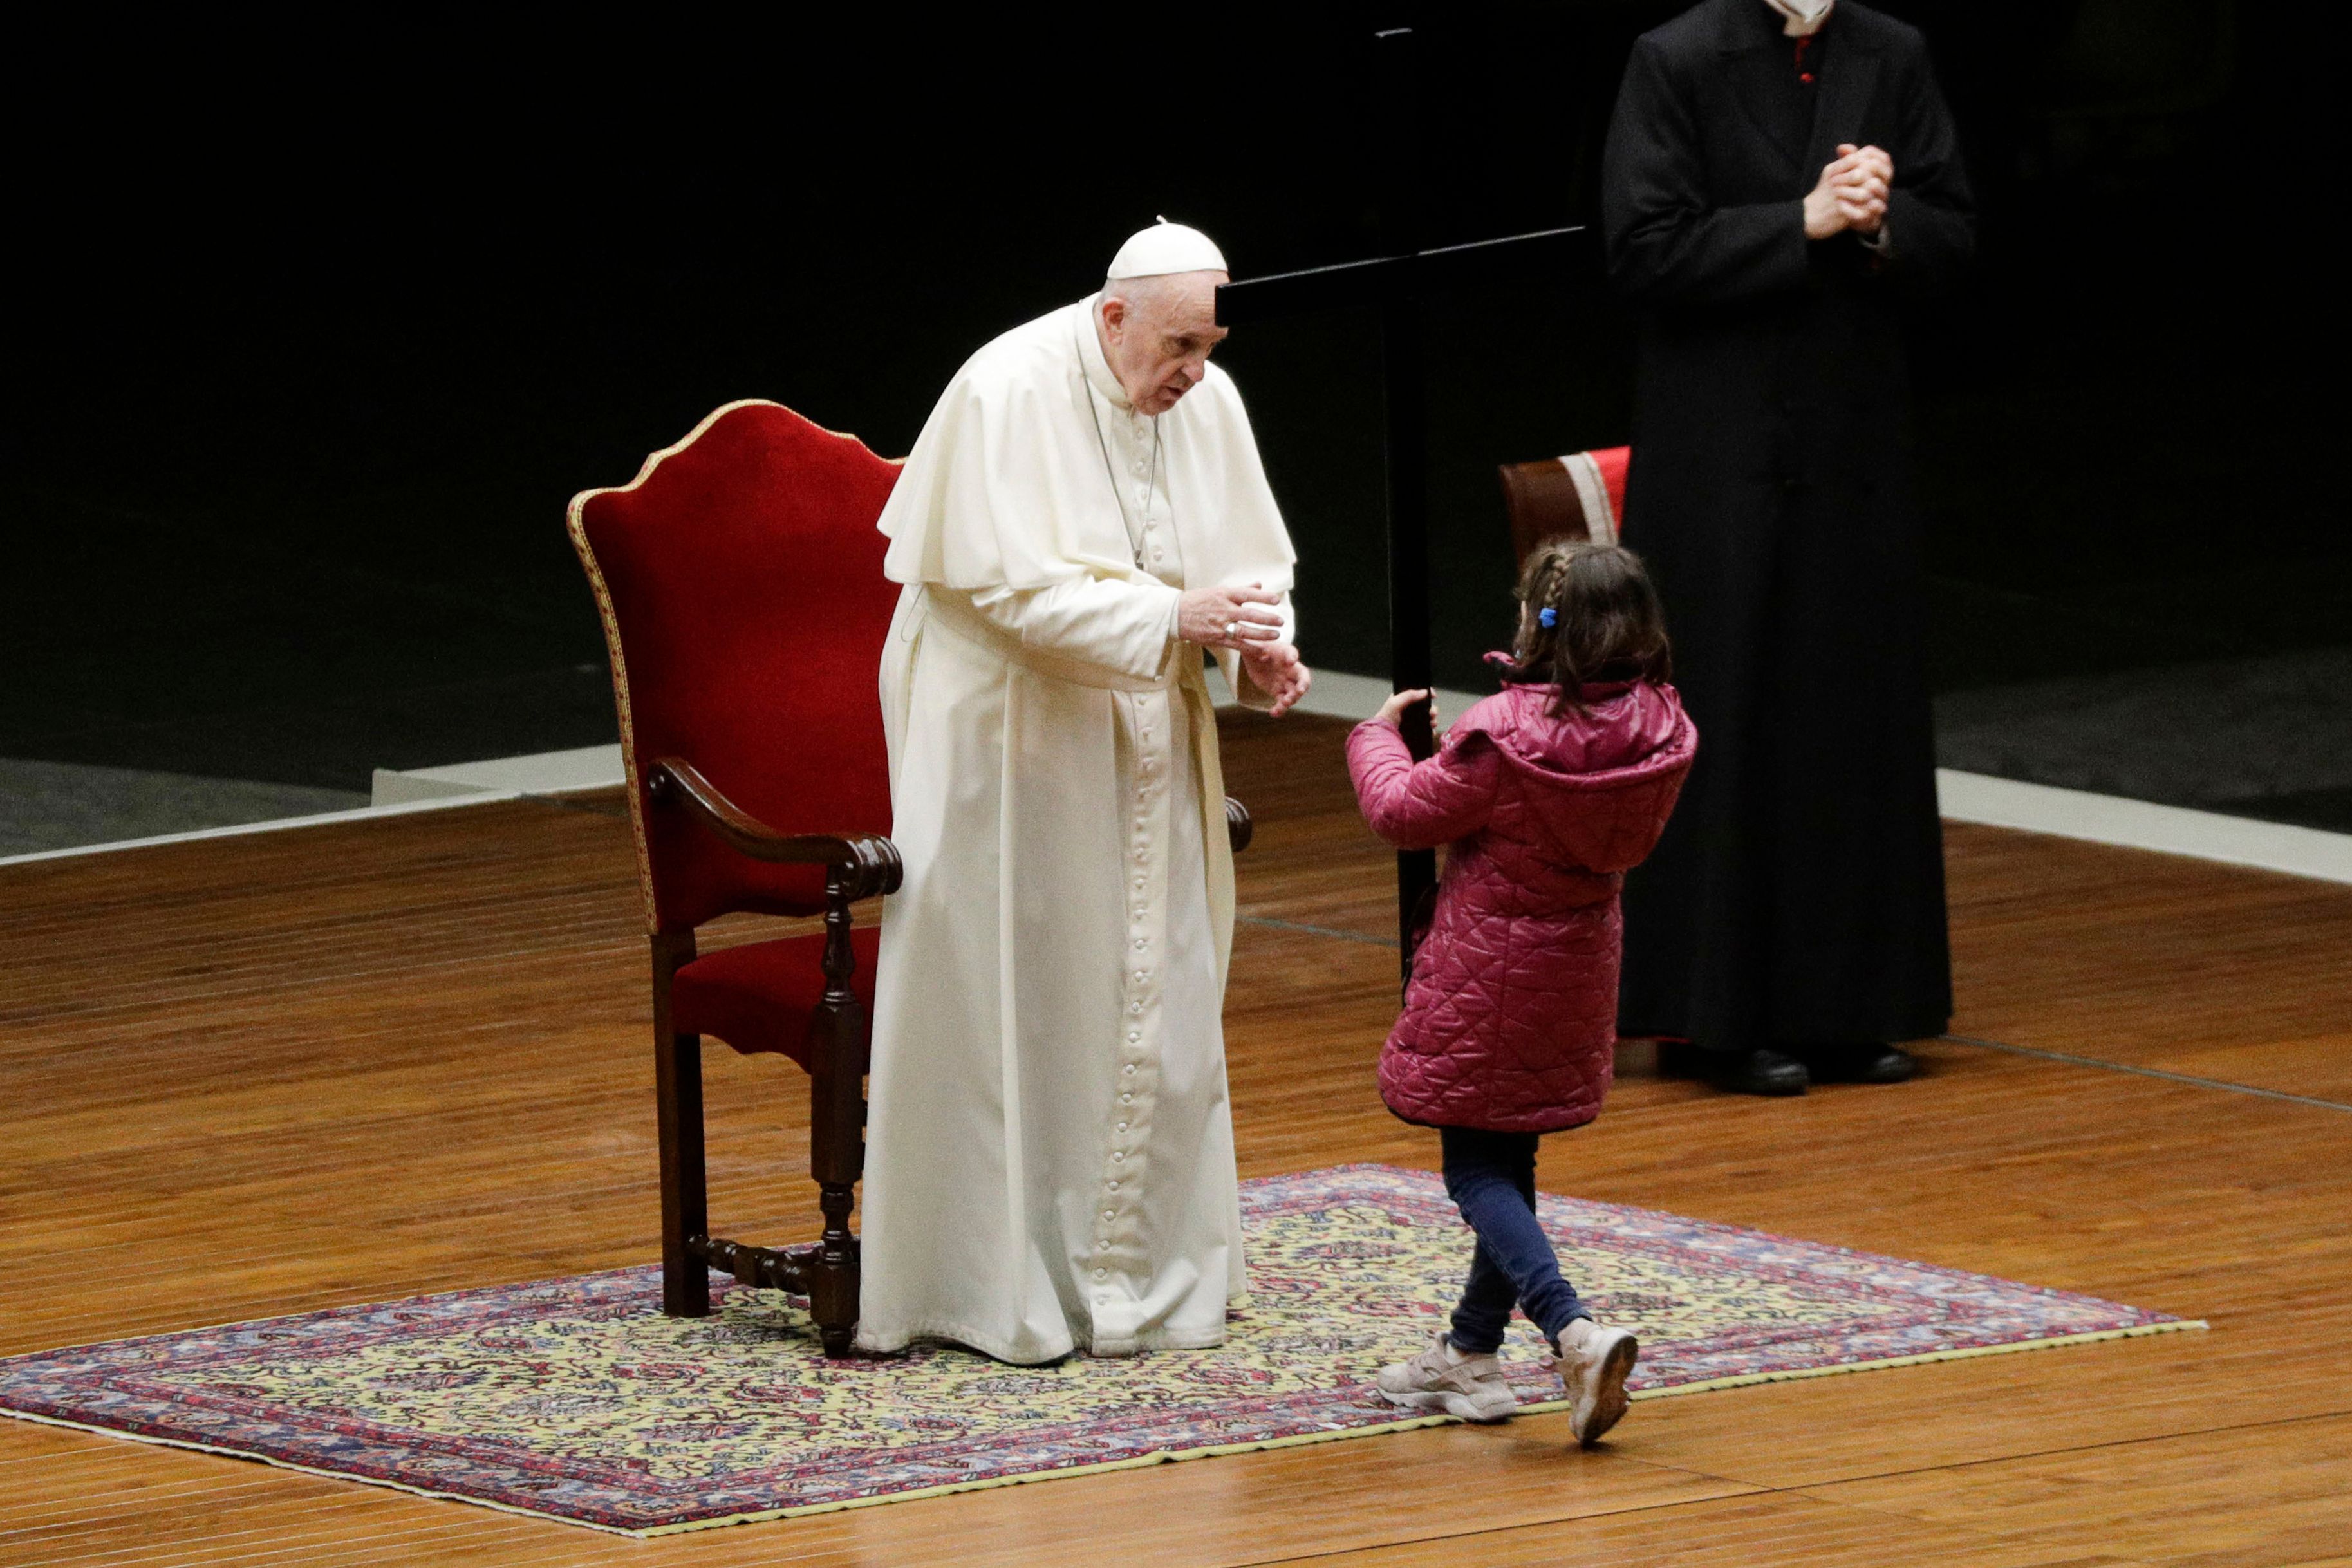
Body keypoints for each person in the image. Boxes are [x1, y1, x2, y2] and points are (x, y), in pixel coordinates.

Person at [857, 221, 1313, 1364]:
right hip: (1005, 733)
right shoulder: (1006, 388)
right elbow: (1005, 597)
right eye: (1175, 346)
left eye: (1208, 346)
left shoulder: (1202, 395)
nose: (1193, 373)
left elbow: (1249, 561)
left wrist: (1260, 640)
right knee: (1019, 997)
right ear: (1112, 317)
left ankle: (1143, 1282)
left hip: (1142, 725)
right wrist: (1174, 618)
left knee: (1147, 993)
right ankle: (990, 1287)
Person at [1600, 0, 1977, 1096]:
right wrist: (1799, 219)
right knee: (1734, 709)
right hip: (1718, 444)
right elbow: (1643, 245)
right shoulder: (1672, 56)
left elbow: (1953, 228)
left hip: (1850, 435)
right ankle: (1718, 1019)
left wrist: (1877, 219)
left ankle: (1853, 1006)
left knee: (1849, 713)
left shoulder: (1891, 50)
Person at [1346, 542, 1696, 1444]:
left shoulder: (1502, 737)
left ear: (1541, 623)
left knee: (1473, 1166)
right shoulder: (1661, 725)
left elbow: (1400, 812)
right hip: (1578, 969)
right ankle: (1469, 1354)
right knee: (1513, 1160)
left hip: (1488, 971)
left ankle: (1571, 1331)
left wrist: (1373, 736)